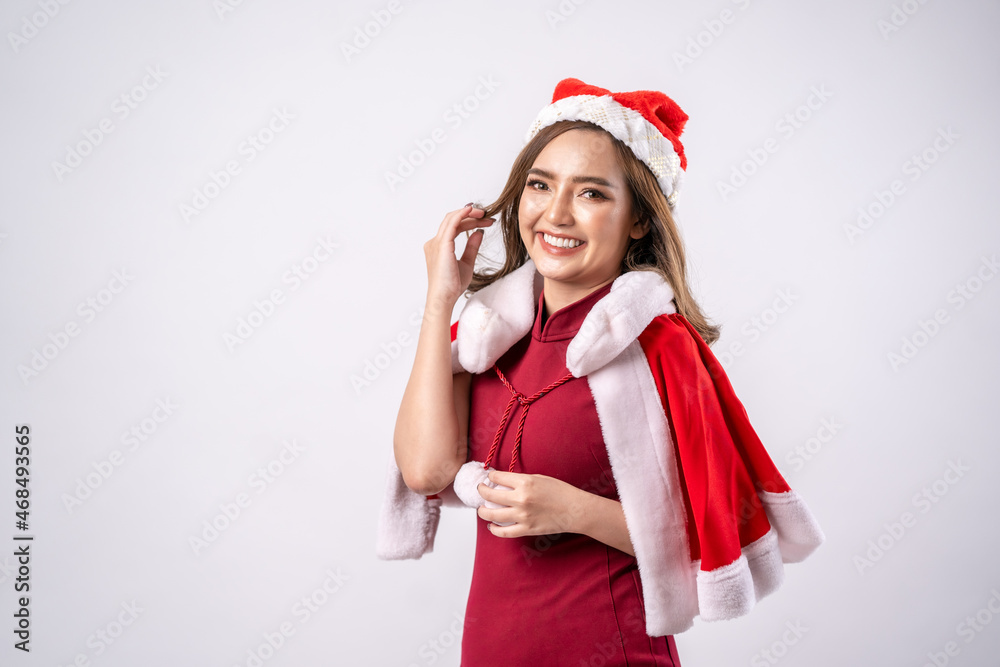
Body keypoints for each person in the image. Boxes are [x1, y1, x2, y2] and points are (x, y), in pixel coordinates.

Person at [377, 78, 824, 666]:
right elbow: (426, 469)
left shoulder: (659, 344)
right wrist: (442, 301)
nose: (556, 212)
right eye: (540, 185)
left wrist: (575, 512)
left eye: (591, 193)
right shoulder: (489, 334)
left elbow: (718, 532)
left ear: (639, 220)